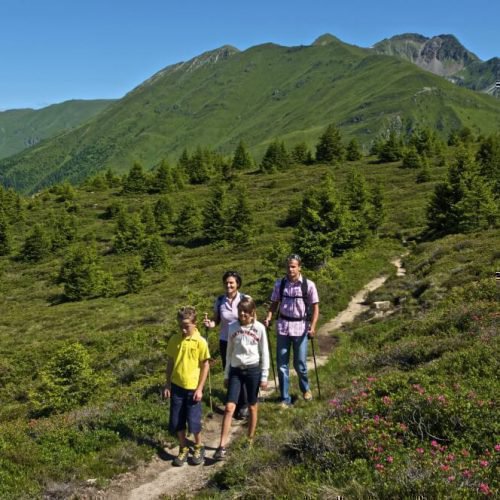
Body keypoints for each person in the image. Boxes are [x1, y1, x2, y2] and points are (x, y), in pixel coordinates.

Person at [213, 296, 269, 460]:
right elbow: (229, 352)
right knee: (230, 407)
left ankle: (249, 439)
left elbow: (264, 352)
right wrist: (226, 374)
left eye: (246, 312)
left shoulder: (259, 328)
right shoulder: (232, 327)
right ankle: (221, 446)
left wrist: (264, 376)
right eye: (240, 311)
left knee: (252, 406)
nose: (242, 314)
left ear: (252, 313)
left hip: (253, 370)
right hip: (236, 371)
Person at [263, 254, 319, 408]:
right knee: (282, 364)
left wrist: (312, 327)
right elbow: (274, 303)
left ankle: (305, 389)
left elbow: (315, 308)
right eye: (288, 266)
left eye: (293, 266)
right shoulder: (280, 284)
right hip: (283, 327)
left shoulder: (308, 285)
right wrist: (268, 317)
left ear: (299, 267)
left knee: (300, 363)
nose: (290, 269)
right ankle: (284, 397)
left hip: (301, 327)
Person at [163, 306, 210, 466]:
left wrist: (200, 388)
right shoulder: (175, 339)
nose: (183, 328)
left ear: (195, 324)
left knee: (194, 421)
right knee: (177, 420)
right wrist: (167, 384)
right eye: (180, 325)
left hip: (192, 388)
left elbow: (205, 366)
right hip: (177, 387)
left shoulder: (200, 342)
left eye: (187, 325)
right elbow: (170, 363)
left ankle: (198, 446)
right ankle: (183, 448)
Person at [203, 271, 249, 419]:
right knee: (229, 371)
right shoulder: (220, 300)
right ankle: (233, 402)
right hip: (225, 340)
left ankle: (244, 405)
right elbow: (216, 320)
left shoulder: (245, 299)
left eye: (231, 283)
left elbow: (251, 319)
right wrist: (211, 324)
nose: (228, 285)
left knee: (241, 370)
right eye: (226, 283)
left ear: (237, 284)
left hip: (242, 340)